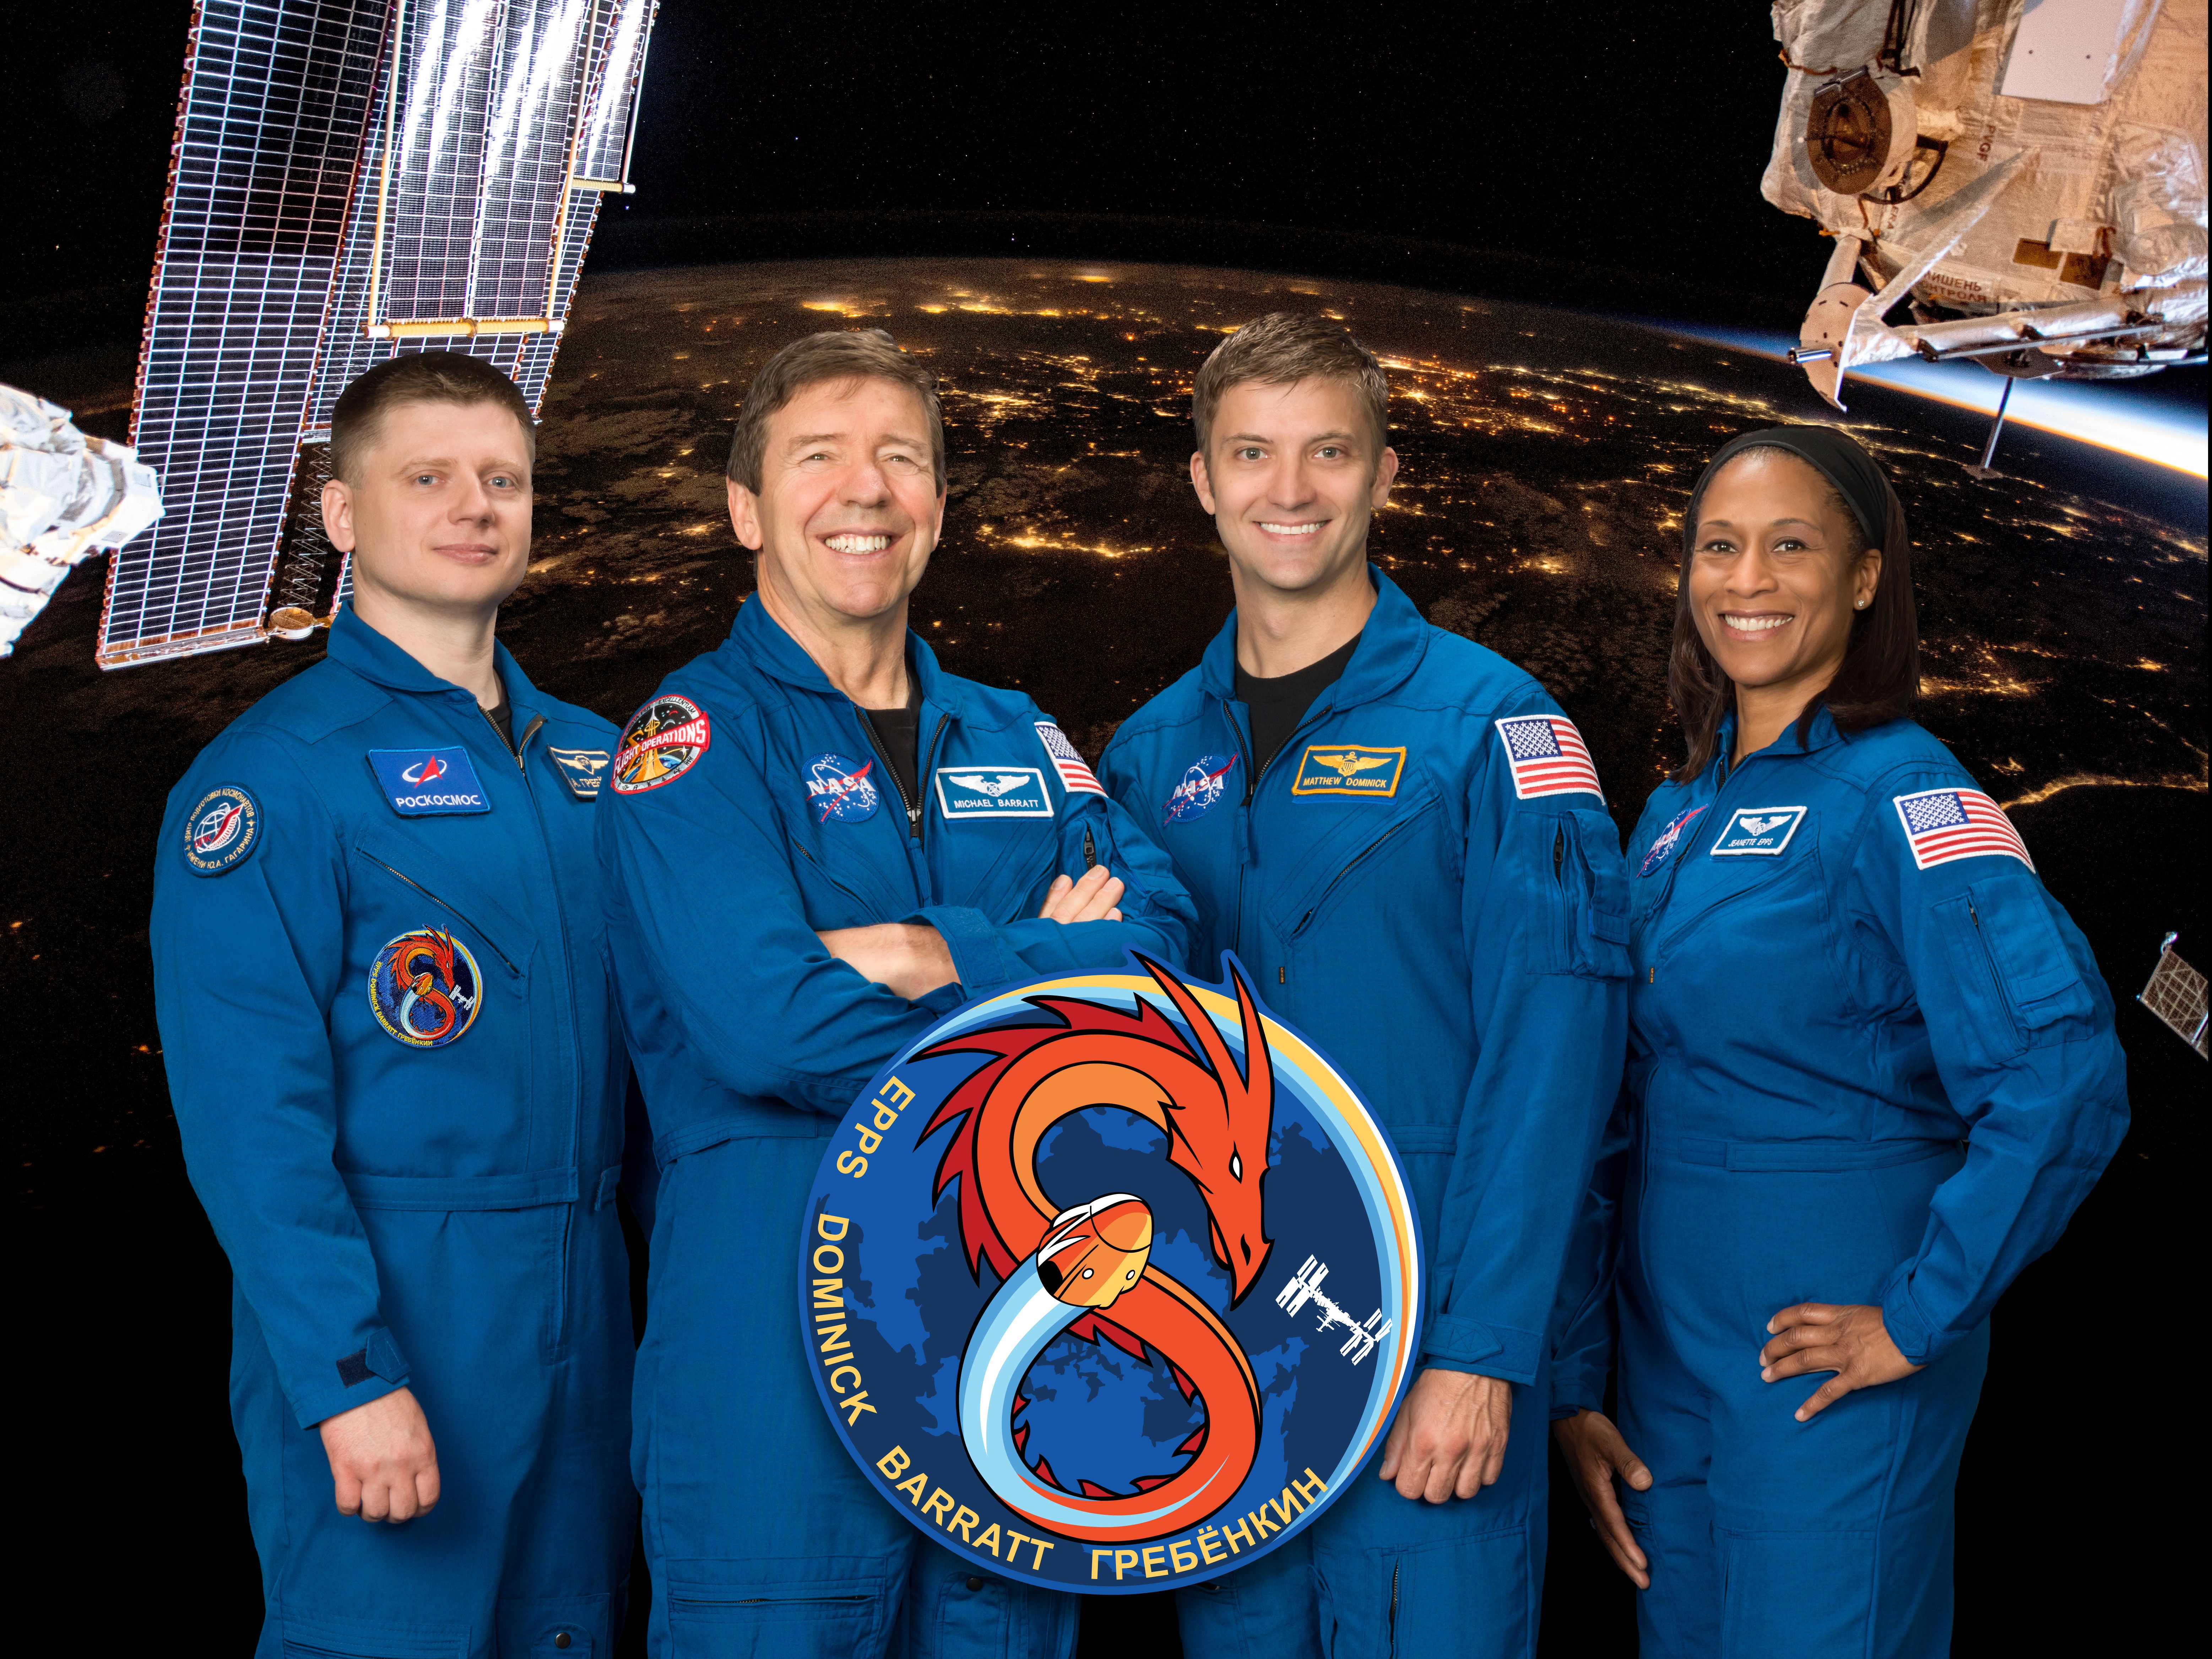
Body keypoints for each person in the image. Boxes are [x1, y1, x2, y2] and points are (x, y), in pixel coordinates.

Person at [593, 328, 1199, 1658]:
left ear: (935, 506)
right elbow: (766, 1023)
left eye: (900, 460)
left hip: (1010, 1337)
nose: (864, 490)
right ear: (746, 509)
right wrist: (1045, 977)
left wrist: (930, 951)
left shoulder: (1016, 733)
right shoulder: (688, 745)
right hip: (774, 1356)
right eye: (819, 458)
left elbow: (1168, 962)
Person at [1096, 313, 1631, 1659]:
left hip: (1424, 1366)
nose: (1292, 491)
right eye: (1254, 455)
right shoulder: (1148, 756)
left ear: (1386, 474)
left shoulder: (1495, 729)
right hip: (1223, 1361)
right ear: (1204, 481)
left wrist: (1485, 1350)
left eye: (1328, 452)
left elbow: (1555, 1062)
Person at [1548, 426, 2129, 1657]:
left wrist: (1914, 1319)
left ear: (1864, 578)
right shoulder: (1676, 811)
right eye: (1719, 546)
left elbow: (2061, 1073)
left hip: (1826, 1358)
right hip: (1669, 1361)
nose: (1745, 580)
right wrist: (1574, 1380)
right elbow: (1617, 1105)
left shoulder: (1904, 801)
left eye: (1789, 546)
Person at [150, 353, 639, 1656]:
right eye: (426, 477)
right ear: (342, 514)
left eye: (502, 480)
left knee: (566, 1634)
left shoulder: (596, 762)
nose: (473, 506)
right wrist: (349, 1378)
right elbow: (252, 1123)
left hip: (591, 1300)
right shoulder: (273, 783)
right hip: (407, 1303)